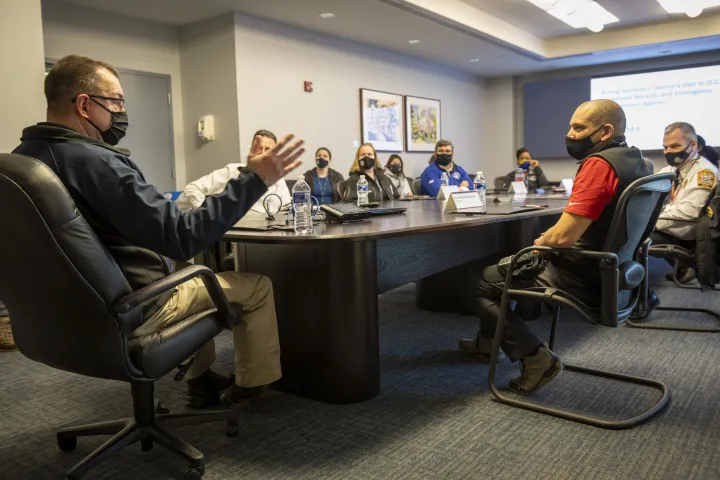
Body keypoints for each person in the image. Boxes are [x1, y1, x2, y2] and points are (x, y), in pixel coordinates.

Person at [12, 55, 306, 408]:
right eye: (116, 101)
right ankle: (251, 386)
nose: (122, 110)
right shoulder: (98, 163)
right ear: (84, 105)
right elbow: (184, 238)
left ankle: (200, 380)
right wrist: (254, 180)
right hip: (133, 307)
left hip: (63, 314)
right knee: (253, 287)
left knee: (186, 276)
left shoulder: (22, 161)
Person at [459, 99, 651, 395]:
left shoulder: (599, 164)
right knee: (503, 271)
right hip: (617, 271)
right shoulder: (638, 160)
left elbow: (562, 238)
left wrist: (543, 241)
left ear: (605, 131)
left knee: (479, 283)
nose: (570, 134)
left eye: (579, 127)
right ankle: (489, 342)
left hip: (580, 272)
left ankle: (537, 359)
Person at [651, 123, 718, 285]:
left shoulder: (705, 172)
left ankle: (632, 292)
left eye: (674, 146)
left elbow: (689, 214)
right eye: (665, 147)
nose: (668, 152)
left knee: (635, 236)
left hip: (688, 230)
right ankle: (682, 267)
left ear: (693, 145)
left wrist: (651, 220)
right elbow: (648, 189)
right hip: (672, 223)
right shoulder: (673, 169)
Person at [182, 130, 291, 215]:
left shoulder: (277, 178)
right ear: (251, 150)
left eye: (268, 149)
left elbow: (287, 206)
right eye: (259, 148)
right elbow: (192, 188)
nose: (262, 152)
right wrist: (206, 216)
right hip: (241, 235)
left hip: (270, 234)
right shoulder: (233, 171)